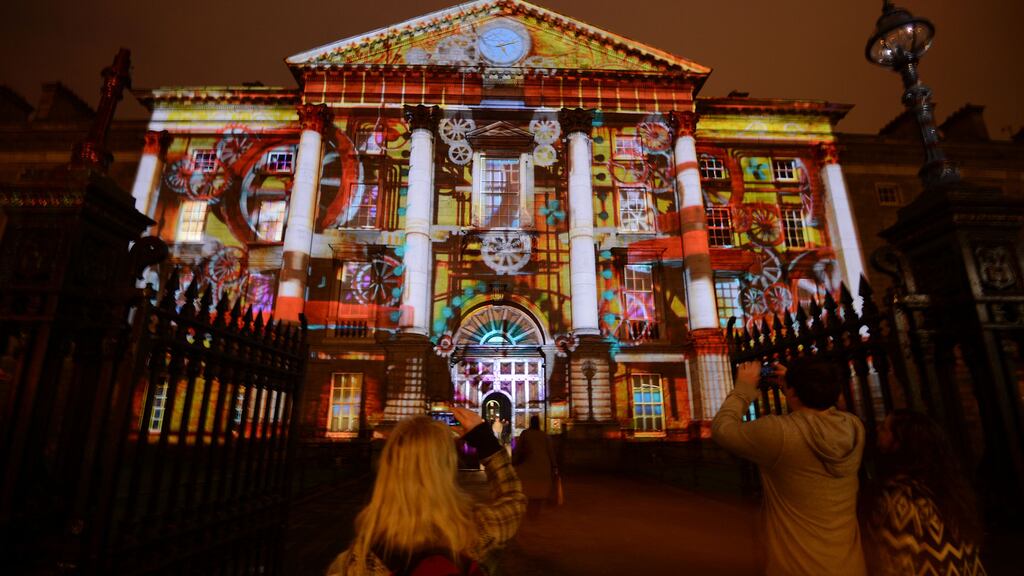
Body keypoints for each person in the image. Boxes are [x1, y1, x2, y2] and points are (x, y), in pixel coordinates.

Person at [711, 358, 866, 576]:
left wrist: (743, 388)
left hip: (797, 567)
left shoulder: (780, 433)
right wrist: (795, 385)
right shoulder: (853, 427)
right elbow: (833, 406)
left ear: (793, 393)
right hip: (849, 566)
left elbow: (722, 429)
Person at [327, 407, 526, 575]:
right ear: (446, 466)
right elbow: (514, 499)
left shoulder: (362, 558)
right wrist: (486, 442)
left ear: (388, 467)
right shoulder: (477, 529)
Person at [862, 410, 987, 575]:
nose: (877, 430)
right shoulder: (949, 490)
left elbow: (894, 566)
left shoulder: (899, 497)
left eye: (884, 428)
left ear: (900, 443)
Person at [512, 415, 557, 517]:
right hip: (543, 467)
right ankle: (536, 511)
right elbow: (551, 452)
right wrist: (554, 466)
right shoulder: (544, 436)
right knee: (540, 491)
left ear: (530, 423)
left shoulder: (525, 434)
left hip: (527, 467)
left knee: (528, 490)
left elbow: (518, 450)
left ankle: (529, 510)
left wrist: (514, 461)